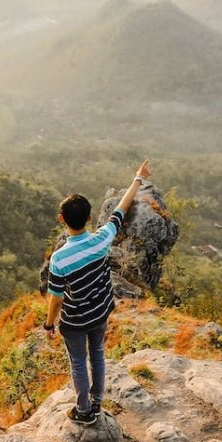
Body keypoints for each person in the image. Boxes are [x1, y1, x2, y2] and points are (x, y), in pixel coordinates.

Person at [43, 159, 151, 425]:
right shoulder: (102, 238)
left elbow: (56, 298)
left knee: (79, 361)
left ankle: (83, 410)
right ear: (90, 218)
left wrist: (49, 325)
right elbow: (121, 209)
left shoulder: (60, 258)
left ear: (61, 220)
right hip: (100, 311)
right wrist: (138, 178)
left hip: (76, 321)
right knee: (98, 354)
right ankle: (97, 403)